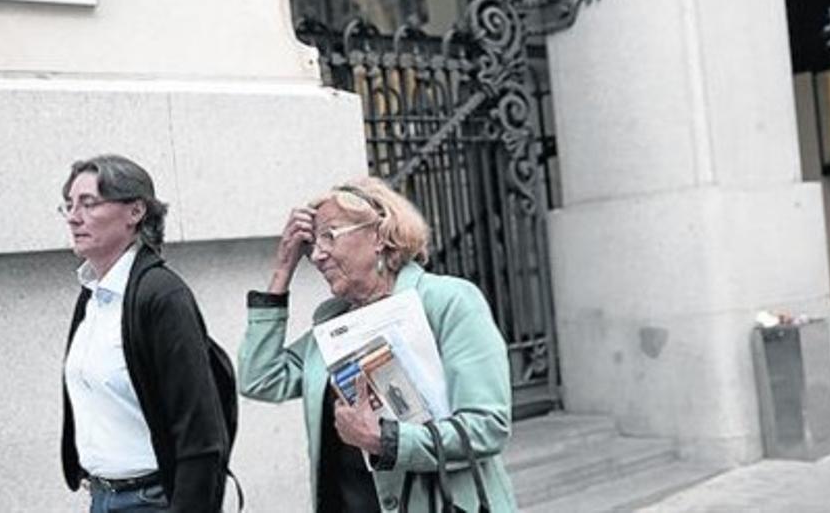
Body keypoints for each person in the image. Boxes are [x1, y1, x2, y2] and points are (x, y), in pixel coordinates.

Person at [238, 177, 518, 512]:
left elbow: (487, 428)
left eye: (329, 236)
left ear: (380, 234)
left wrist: (385, 441)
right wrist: (283, 269)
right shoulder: (331, 326)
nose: (316, 255)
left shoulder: (449, 302)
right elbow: (259, 378)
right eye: (312, 244)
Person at [59, 155, 230, 511]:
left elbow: (201, 432)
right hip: (102, 497)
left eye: (89, 204)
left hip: (151, 501)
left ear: (135, 211)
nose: (74, 217)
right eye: (69, 205)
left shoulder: (161, 295)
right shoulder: (92, 295)